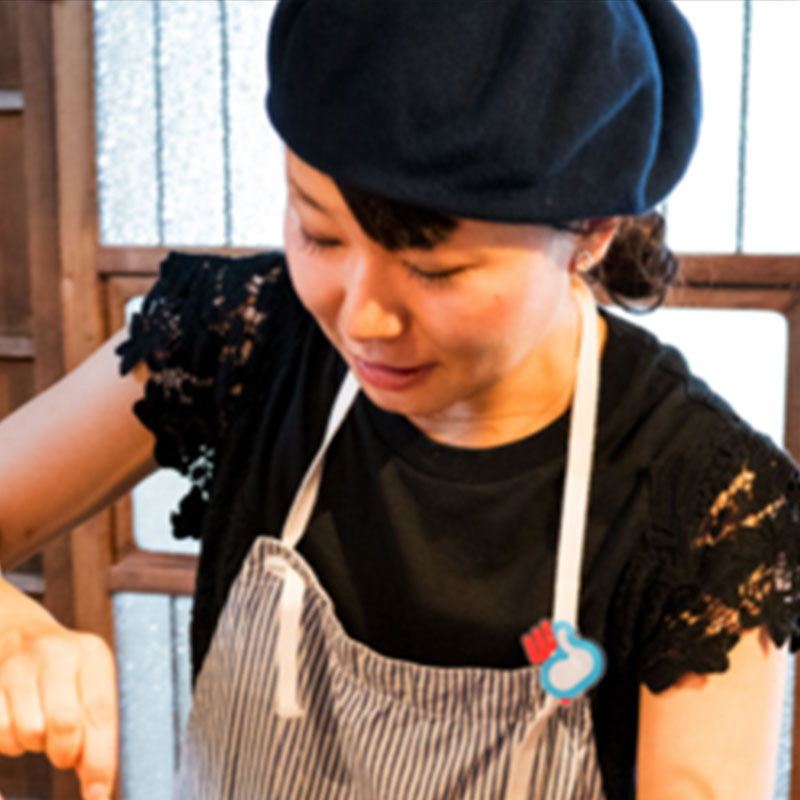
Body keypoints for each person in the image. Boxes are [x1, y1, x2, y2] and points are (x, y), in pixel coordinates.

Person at [0, 0, 798, 798]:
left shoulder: (708, 509)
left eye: (435, 269)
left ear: (591, 232)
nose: (362, 318)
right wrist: (15, 636)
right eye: (320, 234)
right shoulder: (239, 338)